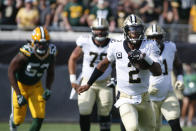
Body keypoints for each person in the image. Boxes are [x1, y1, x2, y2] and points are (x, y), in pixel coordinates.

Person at [78, 14, 162, 131]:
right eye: (132, 29)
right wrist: (89, 83)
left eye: (137, 29)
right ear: (126, 31)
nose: (135, 32)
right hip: (125, 96)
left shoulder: (150, 45)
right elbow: (103, 65)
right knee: (132, 128)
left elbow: (158, 71)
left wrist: (145, 57)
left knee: (151, 128)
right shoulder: (116, 46)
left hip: (144, 96)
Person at [68, 18, 113, 131]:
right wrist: (73, 79)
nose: (99, 32)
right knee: (84, 109)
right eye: (97, 29)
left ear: (107, 30)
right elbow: (72, 59)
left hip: (105, 82)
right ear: (93, 30)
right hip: (87, 82)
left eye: (102, 29)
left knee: (105, 111)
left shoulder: (113, 44)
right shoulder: (85, 42)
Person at [8, 26, 57, 131]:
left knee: (39, 116)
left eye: (44, 43)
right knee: (18, 120)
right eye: (39, 43)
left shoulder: (51, 52)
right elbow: (11, 71)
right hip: (21, 85)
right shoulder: (26, 53)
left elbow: (51, 72)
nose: (42, 46)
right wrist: (18, 94)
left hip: (36, 85)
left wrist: (48, 88)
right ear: (33, 42)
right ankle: (13, 121)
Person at [145, 24, 183, 131]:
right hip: (149, 97)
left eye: (157, 37)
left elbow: (178, 65)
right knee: (153, 128)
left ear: (162, 37)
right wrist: (145, 88)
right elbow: (136, 72)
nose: (154, 40)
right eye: (151, 38)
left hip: (167, 93)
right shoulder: (143, 51)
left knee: (175, 124)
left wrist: (180, 78)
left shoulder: (170, 47)